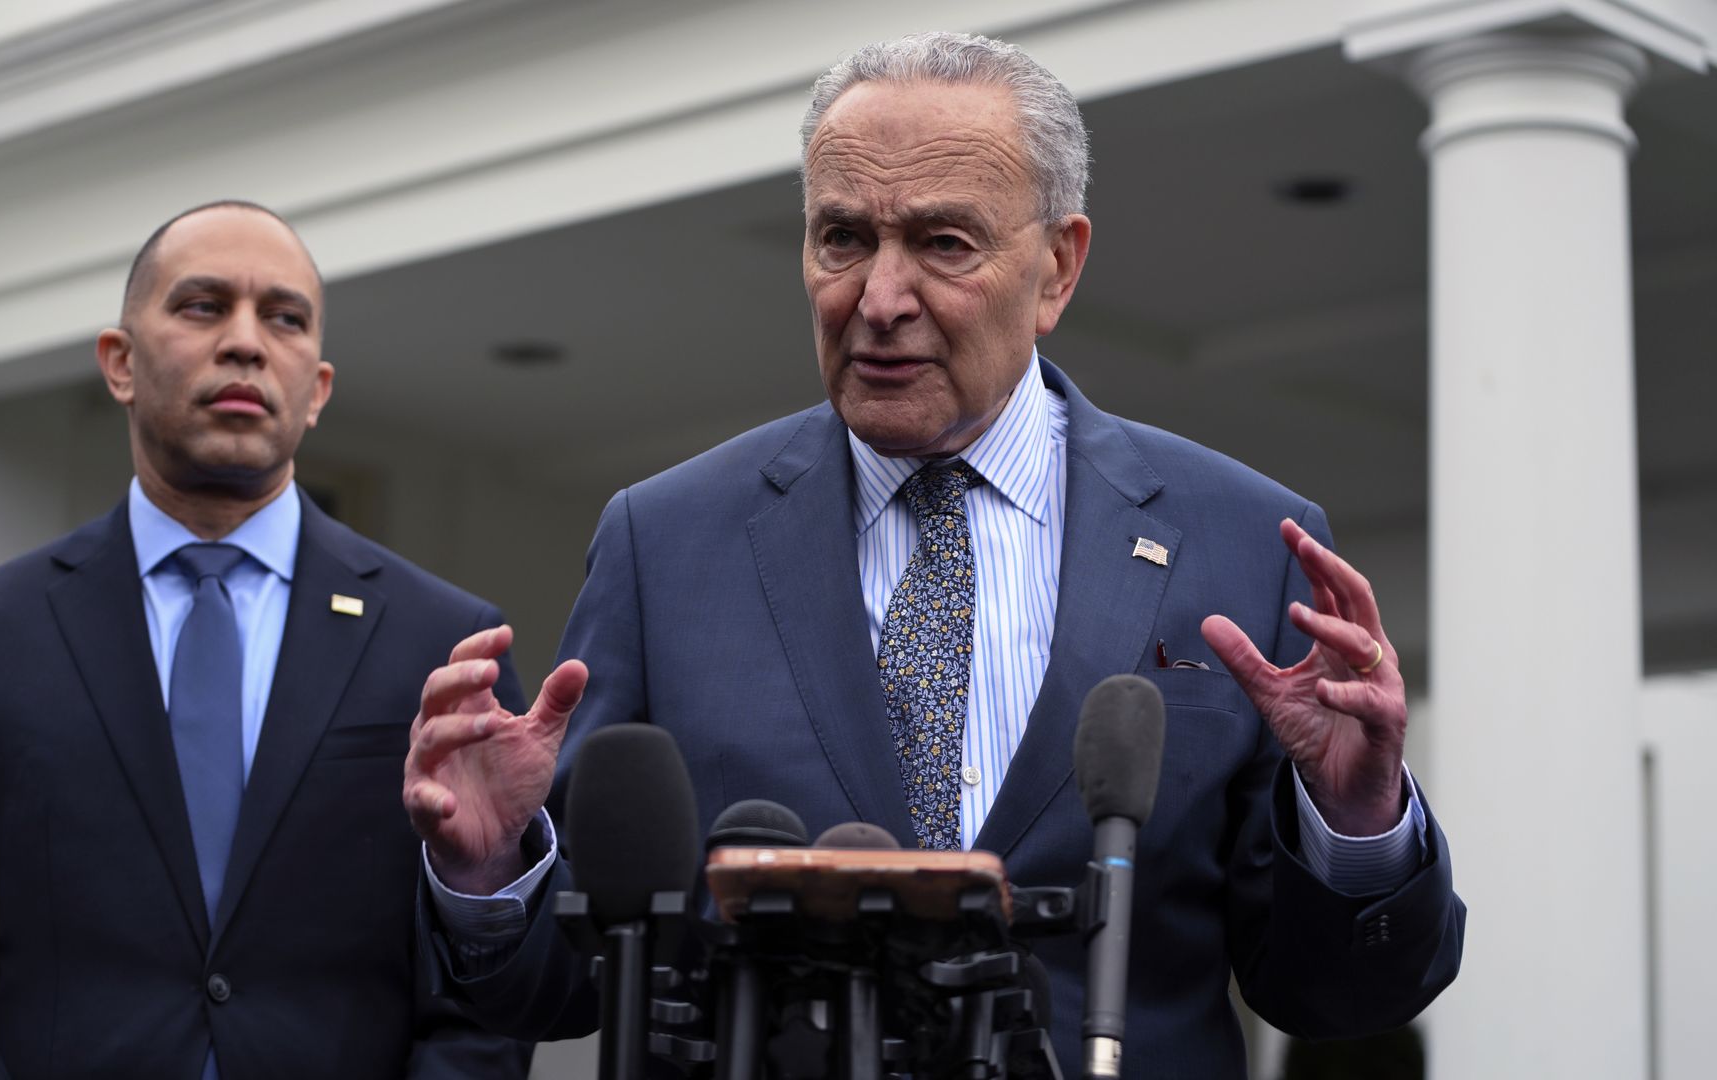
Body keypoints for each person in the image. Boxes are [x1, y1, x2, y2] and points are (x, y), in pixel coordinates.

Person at [404, 33, 1465, 1077]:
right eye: (844, 238)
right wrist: (493, 870)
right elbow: (564, 983)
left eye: (944, 243)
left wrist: (1356, 818)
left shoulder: (1244, 542)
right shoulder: (665, 541)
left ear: (1057, 266)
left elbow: (1338, 998)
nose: (879, 299)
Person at [0, 201, 533, 1079]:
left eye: (284, 318)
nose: (247, 343)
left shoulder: (444, 644)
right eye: (203, 306)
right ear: (120, 363)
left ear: (318, 388)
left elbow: (486, 1007)